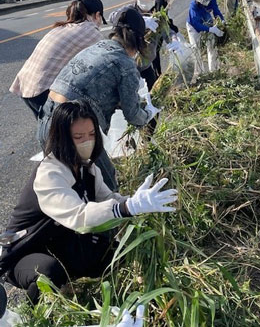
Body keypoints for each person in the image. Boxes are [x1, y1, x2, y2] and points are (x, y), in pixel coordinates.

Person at [0, 101, 177, 305]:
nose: (87, 142)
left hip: (61, 243)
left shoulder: (87, 168)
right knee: (48, 274)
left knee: (117, 256)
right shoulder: (50, 174)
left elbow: (108, 199)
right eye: (78, 137)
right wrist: (126, 208)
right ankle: (33, 315)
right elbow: (80, 217)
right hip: (27, 251)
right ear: (63, 138)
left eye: (92, 134)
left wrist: (135, 201)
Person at [37, 8, 160, 191]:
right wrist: (149, 113)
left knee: (67, 186)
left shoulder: (95, 48)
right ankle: (118, 217)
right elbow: (133, 116)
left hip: (46, 120)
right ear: (139, 41)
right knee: (106, 185)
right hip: (73, 130)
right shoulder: (126, 65)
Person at [9, 0, 106, 119]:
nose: (100, 24)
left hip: (26, 84)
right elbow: (106, 61)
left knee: (47, 128)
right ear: (97, 15)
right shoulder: (91, 31)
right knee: (60, 131)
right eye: (101, 20)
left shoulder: (64, 26)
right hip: (42, 88)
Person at [109, 0, 181, 90]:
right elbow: (112, 17)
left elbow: (168, 31)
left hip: (146, 66)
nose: (147, 3)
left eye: (150, 0)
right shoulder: (128, 11)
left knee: (152, 94)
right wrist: (137, 20)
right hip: (127, 67)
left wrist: (174, 40)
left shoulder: (158, 16)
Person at [186, 0, 225, 78]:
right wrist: (211, 29)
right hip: (193, 28)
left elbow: (216, 12)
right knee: (196, 49)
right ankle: (200, 74)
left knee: (212, 46)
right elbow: (196, 25)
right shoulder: (193, 6)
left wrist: (222, 21)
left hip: (208, 23)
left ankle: (213, 71)